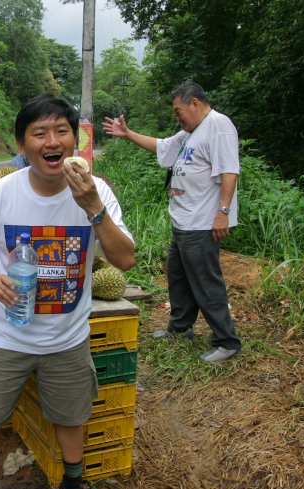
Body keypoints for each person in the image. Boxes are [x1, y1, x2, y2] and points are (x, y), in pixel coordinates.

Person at [0, 94, 135, 489]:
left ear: (75, 141)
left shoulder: (98, 193)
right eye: (39, 133)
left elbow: (125, 260)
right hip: (9, 336)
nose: (51, 141)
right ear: (23, 144)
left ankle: (73, 487)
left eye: (61, 131)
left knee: (72, 416)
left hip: (67, 337)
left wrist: (92, 206)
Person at [103, 80, 242, 364]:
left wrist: (223, 213)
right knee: (178, 278)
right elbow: (161, 147)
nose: (177, 116)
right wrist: (128, 134)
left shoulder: (219, 125)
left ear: (194, 103)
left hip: (202, 222)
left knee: (205, 282)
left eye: (179, 110)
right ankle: (181, 328)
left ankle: (227, 341)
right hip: (183, 220)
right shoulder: (188, 133)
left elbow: (230, 171)